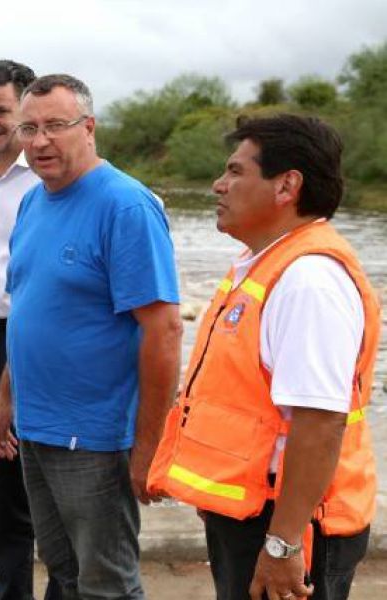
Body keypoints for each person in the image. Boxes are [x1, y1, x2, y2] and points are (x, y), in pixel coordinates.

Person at [148, 115, 379, 600]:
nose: (218, 184)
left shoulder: (308, 280)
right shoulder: (265, 264)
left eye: (235, 171)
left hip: (290, 524)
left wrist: (282, 544)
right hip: (254, 512)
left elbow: (319, 423)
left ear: (286, 186)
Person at [0, 74, 182, 599]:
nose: (40, 141)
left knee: (107, 584)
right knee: (64, 573)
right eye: (29, 128)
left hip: (95, 436)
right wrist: (7, 396)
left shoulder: (126, 207)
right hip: (36, 428)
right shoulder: (33, 203)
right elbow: (29, 309)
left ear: (89, 128)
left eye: (56, 126)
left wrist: (148, 448)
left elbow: (163, 331)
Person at [0, 59, 63, 600]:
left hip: (35, 340)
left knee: (44, 483)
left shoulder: (50, 174)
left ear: (23, 109)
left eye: (0, 110)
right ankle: (12, 592)